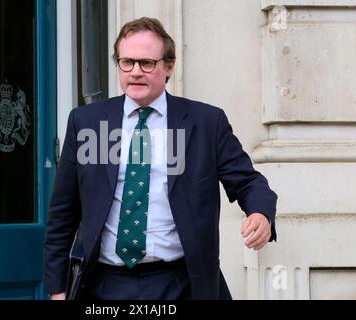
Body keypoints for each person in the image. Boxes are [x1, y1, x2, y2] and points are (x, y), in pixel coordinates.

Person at [45, 17, 277, 300]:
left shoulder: (206, 123)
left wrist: (260, 213)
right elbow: (62, 212)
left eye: (147, 63)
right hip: (104, 285)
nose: (135, 72)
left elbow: (248, 181)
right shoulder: (86, 122)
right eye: (126, 62)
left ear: (169, 67)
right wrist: (56, 288)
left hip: (182, 284)